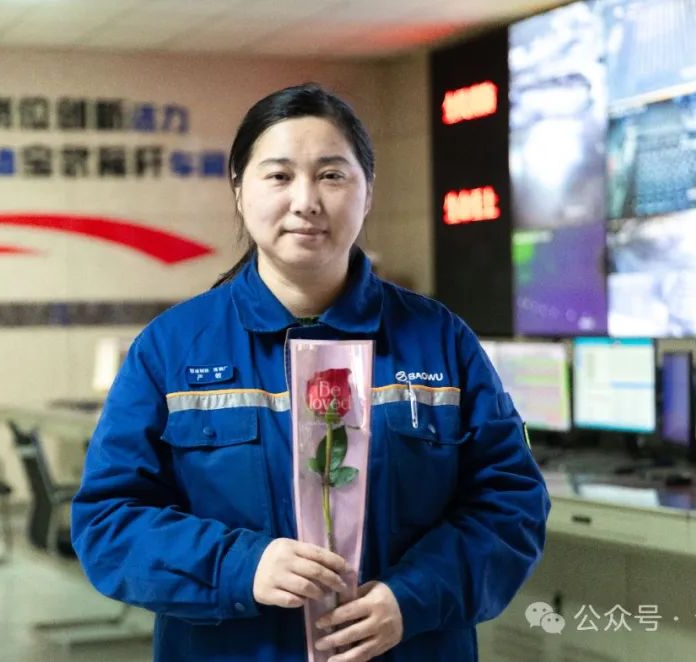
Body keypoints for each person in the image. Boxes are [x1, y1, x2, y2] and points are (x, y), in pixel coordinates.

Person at [71, 83, 550, 661]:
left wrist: (413, 598)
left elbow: (511, 505)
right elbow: (108, 523)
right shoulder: (171, 348)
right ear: (239, 189)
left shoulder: (439, 340)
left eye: (331, 175)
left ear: (367, 192)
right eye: (279, 176)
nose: (306, 201)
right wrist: (240, 566)